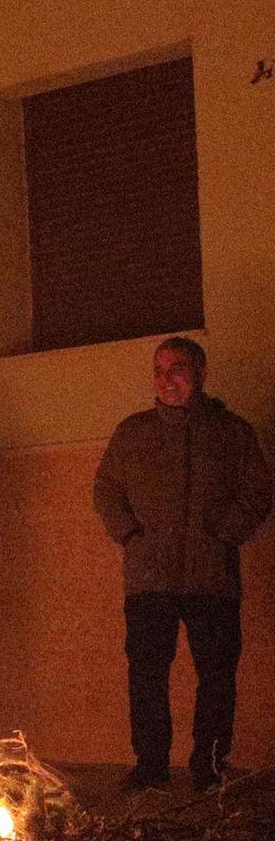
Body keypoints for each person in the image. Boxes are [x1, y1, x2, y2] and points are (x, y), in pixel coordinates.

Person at [92, 337, 271, 792]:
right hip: (149, 579)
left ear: (200, 373)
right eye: (158, 370)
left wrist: (226, 535)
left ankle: (209, 764)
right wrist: (131, 536)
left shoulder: (232, 432)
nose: (165, 379)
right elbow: (107, 489)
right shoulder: (132, 433)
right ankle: (150, 765)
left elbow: (258, 489)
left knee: (217, 675)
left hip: (213, 578)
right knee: (147, 675)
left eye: (177, 368)